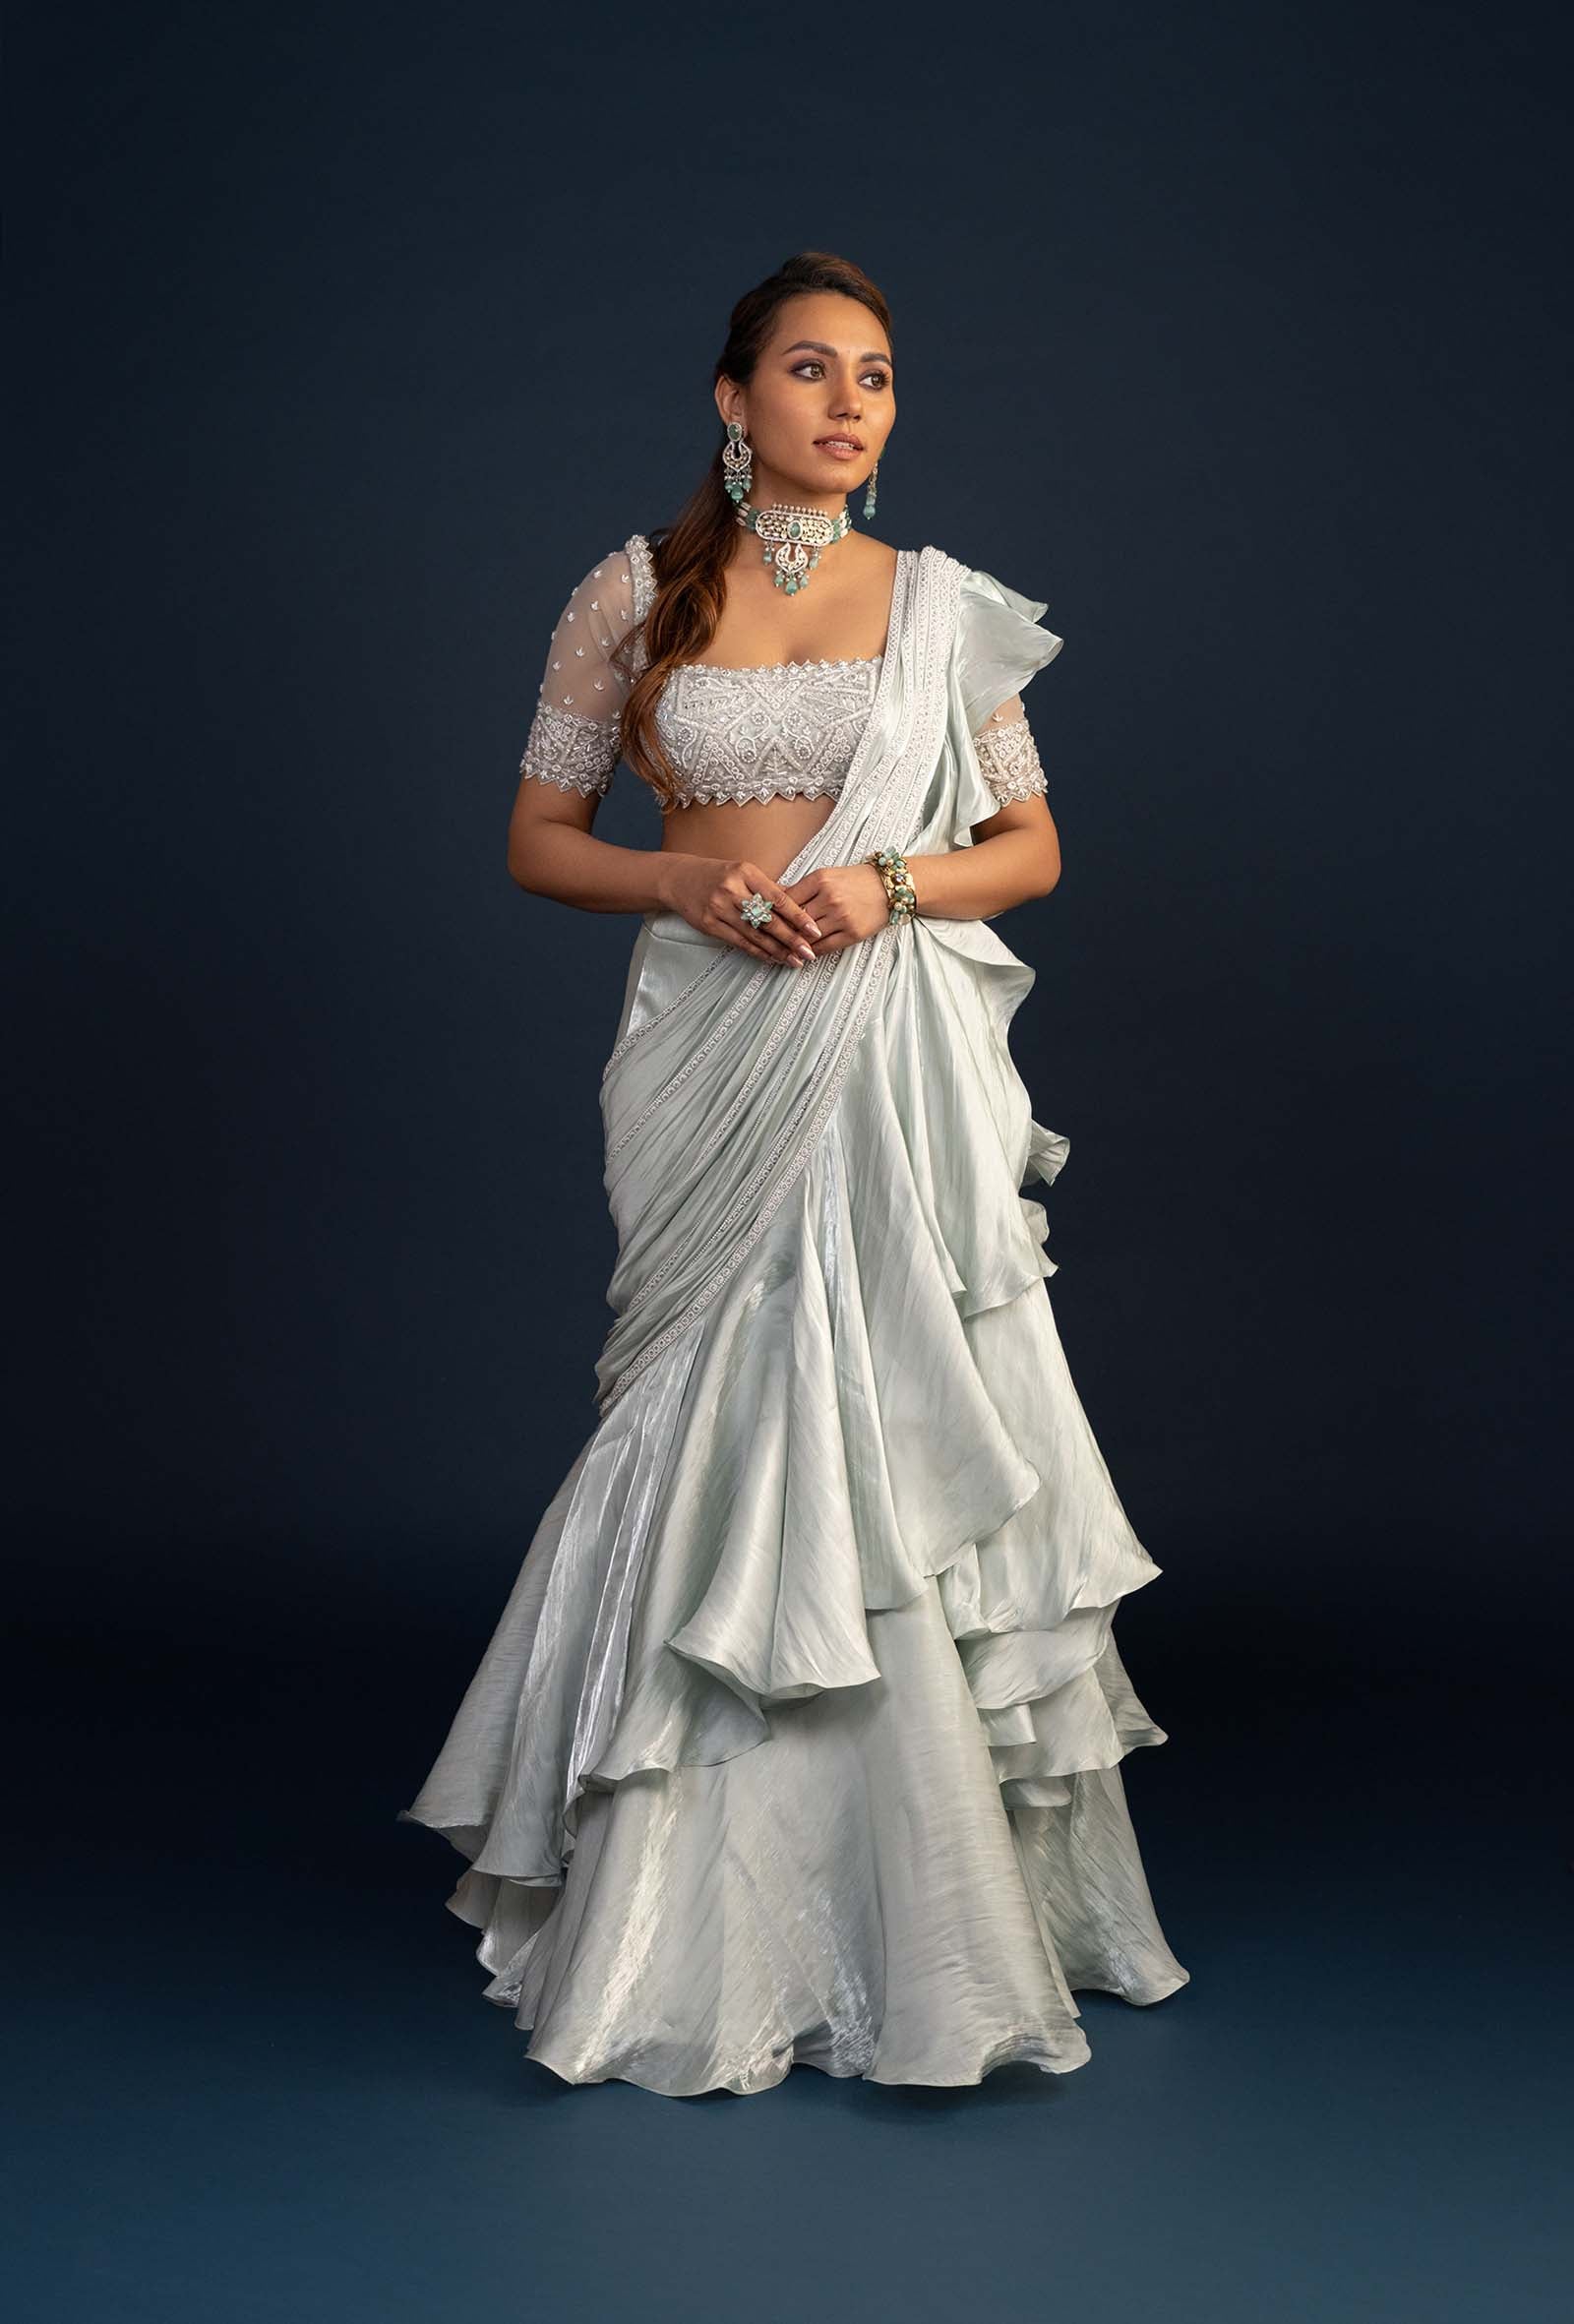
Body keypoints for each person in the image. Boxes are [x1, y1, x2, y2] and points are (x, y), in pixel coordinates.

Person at [397, 250, 1189, 2097]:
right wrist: (677, 877)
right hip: (706, 1050)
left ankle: (927, 1912)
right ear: (733, 398)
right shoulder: (630, 593)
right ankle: (674, 1897)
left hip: (885, 1046)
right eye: (813, 369)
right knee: (714, 1408)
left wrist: (890, 884)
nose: (849, 403)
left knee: (875, 1412)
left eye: (878, 376)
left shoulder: (942, 605)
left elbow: (1031, 846)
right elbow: (538, 837)